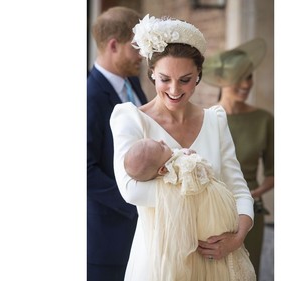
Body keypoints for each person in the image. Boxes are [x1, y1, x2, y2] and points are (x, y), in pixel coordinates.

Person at [110, 14, 255, 281]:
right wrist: (204, 190)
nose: (174, 90)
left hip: (216, 261)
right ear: (151, 71)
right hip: (158, 262)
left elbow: (239, 188)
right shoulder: (130, 118)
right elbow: (131, 190)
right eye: (165, 79)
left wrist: (237, 237)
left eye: (185, 79)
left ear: (199, 75)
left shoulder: (215, 120)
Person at [123, 138, 256, 280]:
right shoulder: (173, 173)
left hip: (224, 238)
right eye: (161, 147)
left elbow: (239, 190)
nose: (162, 141)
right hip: (203, 238)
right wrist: (188, 159)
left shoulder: (169, 160)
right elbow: (193, 174)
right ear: (162, 170)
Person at [203, 38, 275, 279]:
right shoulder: (206, 119)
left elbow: (274, 173)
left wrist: (250, 196)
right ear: (222, 80)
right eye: (240, 77)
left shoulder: (264, 119)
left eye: (250, 76)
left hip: (250, 212)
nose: (246, 84)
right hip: (210, 212)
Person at [87, 6, 148, 281]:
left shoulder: (134, 82)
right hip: (107, 239)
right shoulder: (88, 97)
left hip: (142, 235)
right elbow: (85, 170)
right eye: (136, 47)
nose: (142, 56)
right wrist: (136, 203)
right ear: (113, 45)